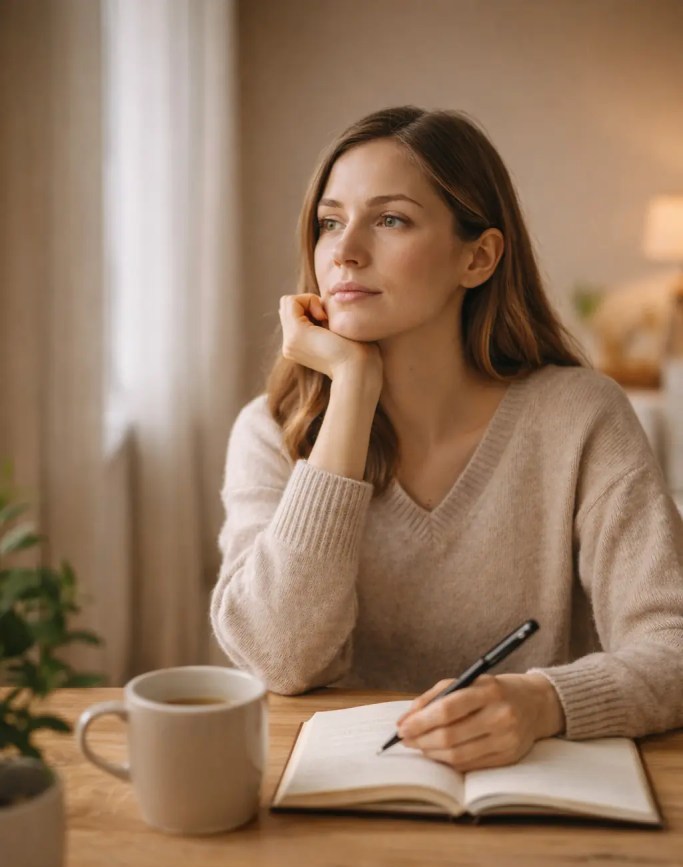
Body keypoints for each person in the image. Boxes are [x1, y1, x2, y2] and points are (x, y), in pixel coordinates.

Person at [210, 105, 683, 772]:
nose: (344, 252)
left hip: (539, 793)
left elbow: (672, 647)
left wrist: (543, 702)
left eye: (390, 220)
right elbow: (277, 659)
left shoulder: (580, 417)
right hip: (338, 794)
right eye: (329, 222)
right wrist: (351, 392)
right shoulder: (271, 431)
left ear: (478, 257)